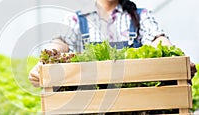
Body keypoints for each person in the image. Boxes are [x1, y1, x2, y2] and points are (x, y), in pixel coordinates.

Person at [29, 0, 197, 87]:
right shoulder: (76, 19)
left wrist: (177, 58)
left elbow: (158, 40)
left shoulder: (140, 16)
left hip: (137, 101)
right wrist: (44, 62)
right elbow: (60, 42)